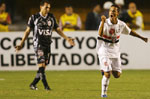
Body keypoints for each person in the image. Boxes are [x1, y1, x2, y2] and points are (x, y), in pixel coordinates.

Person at [15, 0, 75, 91]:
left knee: (43, 67)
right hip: (38, 44)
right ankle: (46, 87)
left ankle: (33, 84)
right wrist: (21, 43)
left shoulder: (51, 17)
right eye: (46, 7)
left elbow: (58, 29)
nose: (48, 9)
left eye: (49, 7)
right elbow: (27, 31)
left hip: (48, 45)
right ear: (41, 7)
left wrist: (67, 38)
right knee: (42, 64)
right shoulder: (34, 17)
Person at [96, 5, 148, 98]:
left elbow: (130, 32)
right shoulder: (105, 22)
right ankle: (103, 94)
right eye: (110, 11)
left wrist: (142, 38)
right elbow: (99, 34)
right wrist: (103, 22)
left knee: (117, 75)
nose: (112, 12)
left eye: (114, 11)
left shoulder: (121, 24)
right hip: (104, 49)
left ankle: (104, 70)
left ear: (117, 13)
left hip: (115, 50)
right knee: (108, 74)